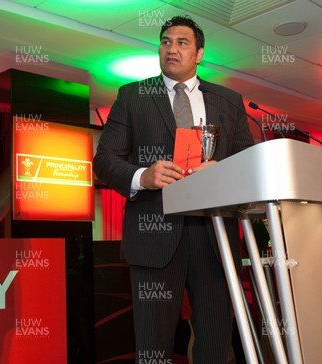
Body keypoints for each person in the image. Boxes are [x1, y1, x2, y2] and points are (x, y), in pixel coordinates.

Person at [93, 15, 254, 363]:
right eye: (166, 41)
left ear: (199, 54)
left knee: (216, 345)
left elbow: (248, 164)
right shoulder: (133, 96)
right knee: (153, 348)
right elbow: (104, 161)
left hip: (214, 237)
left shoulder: (229, 101)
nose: (172, 48)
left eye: (182, 42)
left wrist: (222, 173)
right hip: (154, 233)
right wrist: (142, 176)